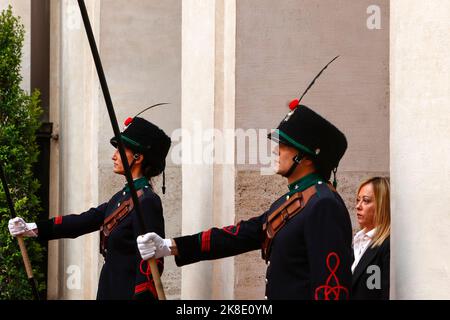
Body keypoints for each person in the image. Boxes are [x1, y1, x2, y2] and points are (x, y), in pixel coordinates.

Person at [137, 100, 353, 300]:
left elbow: (331, 288)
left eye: (285, 144)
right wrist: (170, 245)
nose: (276, 149)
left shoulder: (323, 204)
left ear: (305, 156)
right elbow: (241, 235)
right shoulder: (293, 201)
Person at [8, 116, 171, 300]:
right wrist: (31, 228)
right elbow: (82, 221)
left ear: (138, 157)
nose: (114, 155)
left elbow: (150, 264)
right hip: (108, 290)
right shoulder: (120, 198)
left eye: (120, 149)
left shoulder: (147, 201)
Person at [351, 176, 390, 300]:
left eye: (366, 201)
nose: (358, 206)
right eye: (358, 200)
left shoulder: (387, 245)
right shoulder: (355, 242)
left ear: (382, 204)